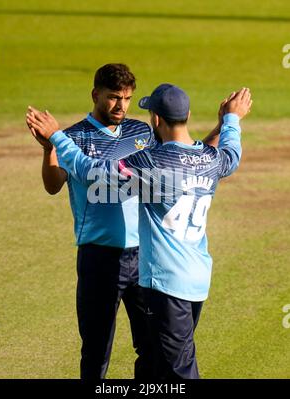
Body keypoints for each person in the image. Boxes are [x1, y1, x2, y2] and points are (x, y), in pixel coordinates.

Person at [26, 64, 236, 379]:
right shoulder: (74, 137)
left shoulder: (142, 133)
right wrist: (49, 151)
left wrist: (218, 129)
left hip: (143, 258)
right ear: (95, 94)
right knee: (96, 350)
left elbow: (183, 160)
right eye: (113, 98)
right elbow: (53, 185)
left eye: (126, 98)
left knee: (152, 348)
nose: (121, 106)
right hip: (98, 256)